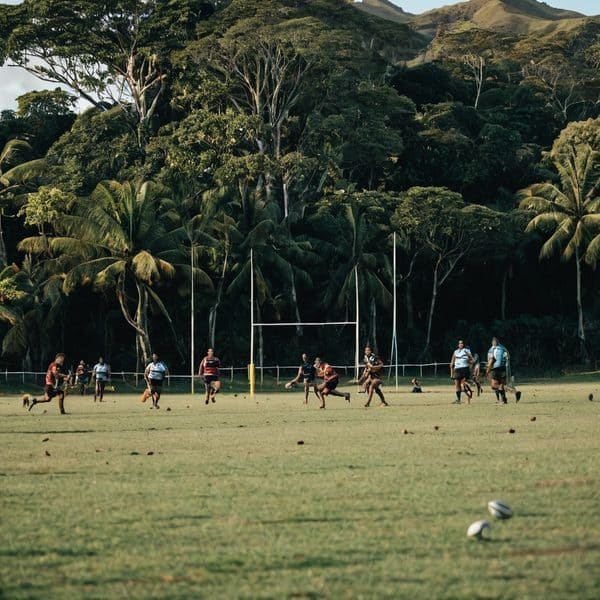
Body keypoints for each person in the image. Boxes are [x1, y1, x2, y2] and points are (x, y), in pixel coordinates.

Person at [486, 337, 521, 404]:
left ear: (496, 342)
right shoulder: (502, 348)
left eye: (494, 342)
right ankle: (505, 399)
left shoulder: (498, 349)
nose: (493, 343)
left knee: (494, 385)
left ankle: (506, 398)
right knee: (500, 385)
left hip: (498, 368)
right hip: (504, 368)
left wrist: (488, 369)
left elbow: (492, 360)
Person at [450, 340, 474, 404]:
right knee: (457, 384)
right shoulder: (455, 351)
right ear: (458, 345)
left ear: (464, 344)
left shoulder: (467, 350)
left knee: (463, 384)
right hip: (457, 369)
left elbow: (472, 360)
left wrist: (470, 366)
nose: (460, 344)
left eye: (462, 343)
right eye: (459, 343)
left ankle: (469, 395)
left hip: (464, 369)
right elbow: (452, 362)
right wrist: (451, 372)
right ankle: (458, 400)